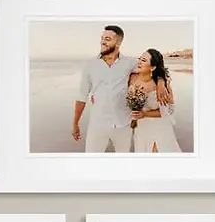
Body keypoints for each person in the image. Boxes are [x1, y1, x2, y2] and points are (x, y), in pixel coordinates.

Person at [71, 25, 171, 153]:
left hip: (123, 125)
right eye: (102, 38)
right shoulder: (90, 65)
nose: (102, 41)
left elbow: (152, 68)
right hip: (97, 125)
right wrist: (75, 124)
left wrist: (161, 82)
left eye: (107, 39)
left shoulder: (129, 63)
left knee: (123, 162)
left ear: (118, 43)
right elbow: (81, 96)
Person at [127, 49, 181, 153]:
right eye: (139, 58)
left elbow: (168, 110)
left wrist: (144, 114)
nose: (139, 62)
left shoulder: (162, 86)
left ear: (152, 67)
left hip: (159, 127)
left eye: (143, 60)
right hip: (141, 127)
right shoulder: (132, 78)